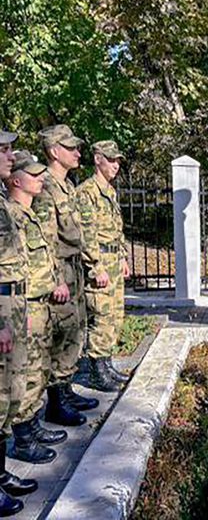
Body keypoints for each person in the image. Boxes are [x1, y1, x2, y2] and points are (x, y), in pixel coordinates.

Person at [33, 125, 98, 428]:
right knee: (62, 334)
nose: (78, 153)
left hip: (74, 269)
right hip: (61, 270)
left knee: (76, 330)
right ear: (54, 151)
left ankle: (67, 391)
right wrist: (56, 278)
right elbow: (46, 239)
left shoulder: (67, 186)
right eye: (71, 148)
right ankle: (56, 404)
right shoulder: (46, 187)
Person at [4, 151, 62, 465]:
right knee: (23, 376)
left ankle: (31, 426)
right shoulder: (11, 214)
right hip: (23, 305)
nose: (40, 180)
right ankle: (23, 440)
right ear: (16, 180)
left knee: (38, 370)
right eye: (34, 175)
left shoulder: (27, 214)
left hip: (38, 301)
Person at [0, 135, 37, 516]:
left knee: (10, 395)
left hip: (13, 302)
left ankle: (1, 474)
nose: (11, 156)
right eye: (3, 150)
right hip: (1, 307)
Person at [77, 141, 130, 392]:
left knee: (114, 314)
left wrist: (123, 257)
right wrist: (95, 266)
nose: (116, 165)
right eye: (111, 160)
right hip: (99, 260)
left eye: (118, 161)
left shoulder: (109, 191)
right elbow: (87, 234)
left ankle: (107, 363)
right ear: (97, 159)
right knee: (100, 314)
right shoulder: (87, 192)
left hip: (113, 260)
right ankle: (97, 371)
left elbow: (117, 230)